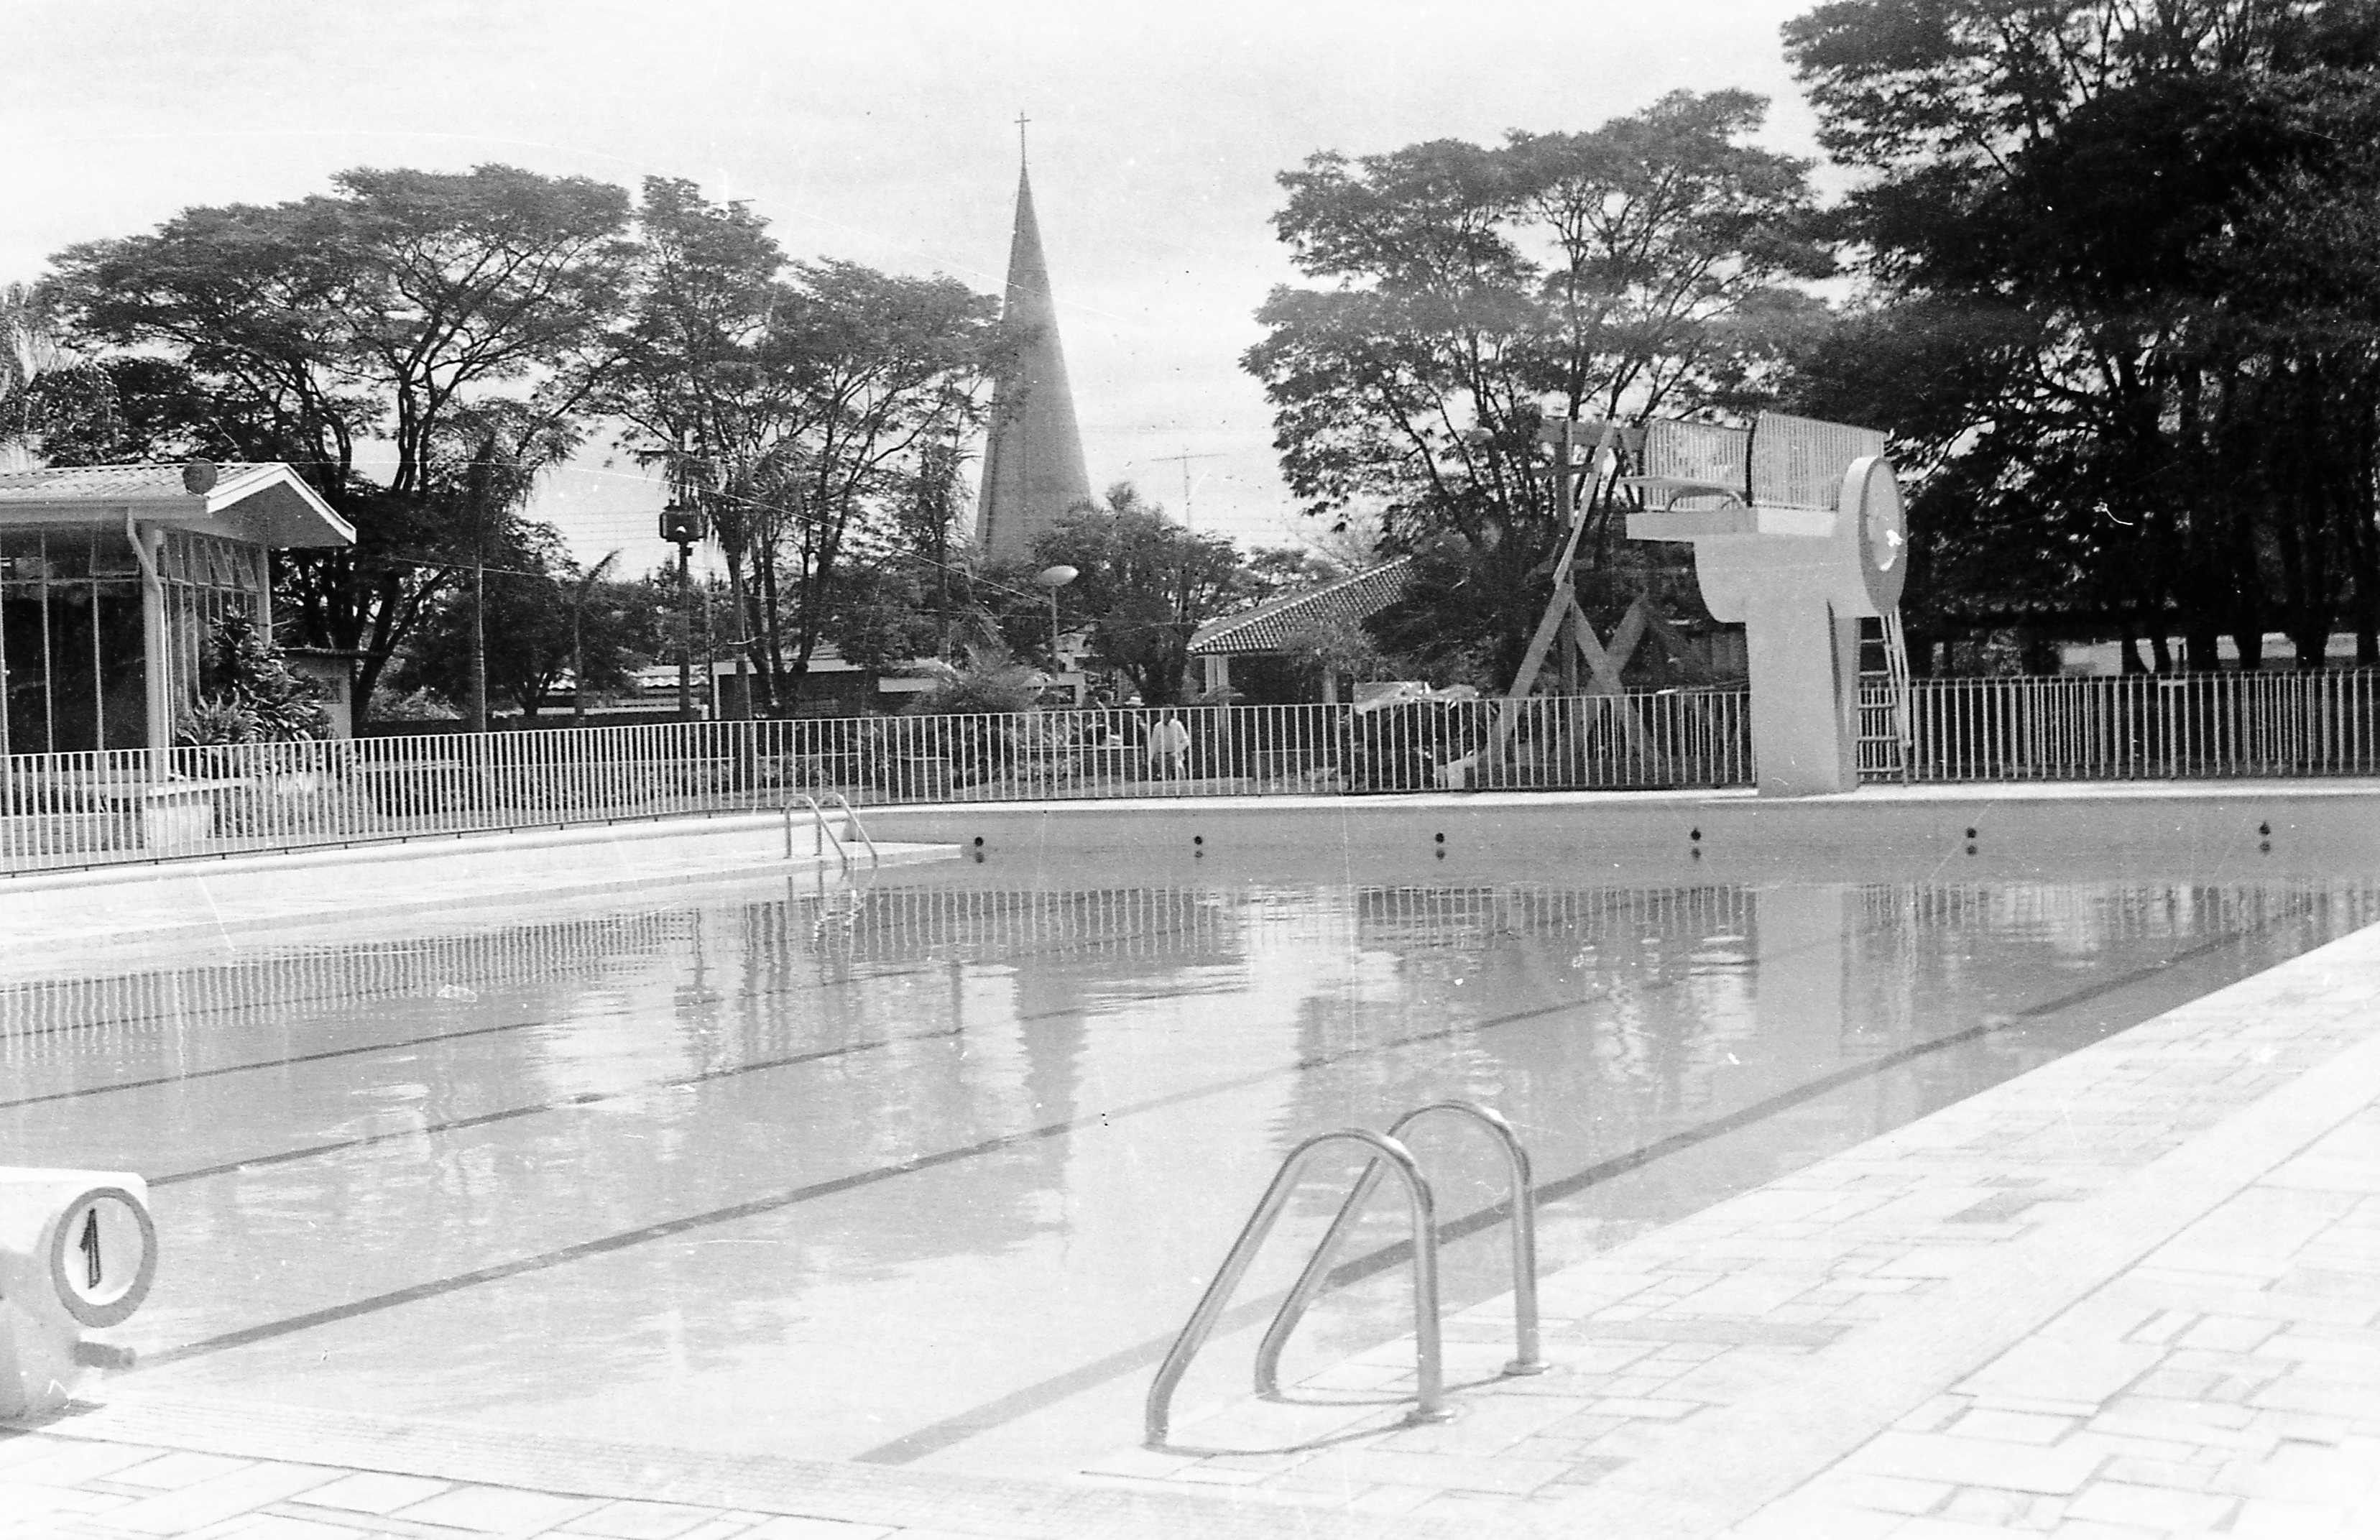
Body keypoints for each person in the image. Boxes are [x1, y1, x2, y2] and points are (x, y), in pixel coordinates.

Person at [1145, 711, 1191, 779]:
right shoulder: (1158, 726)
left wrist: (1177, 751)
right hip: (1162, 755)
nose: (1164, 717)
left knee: (1180, 773)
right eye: (1163, 715)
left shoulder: (1177, 724)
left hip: (1175, 754)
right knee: (1165, 777)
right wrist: (1150, 758)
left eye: (1166, 715)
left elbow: (1186, 741)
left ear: (1171, 716)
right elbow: (1154, 743)